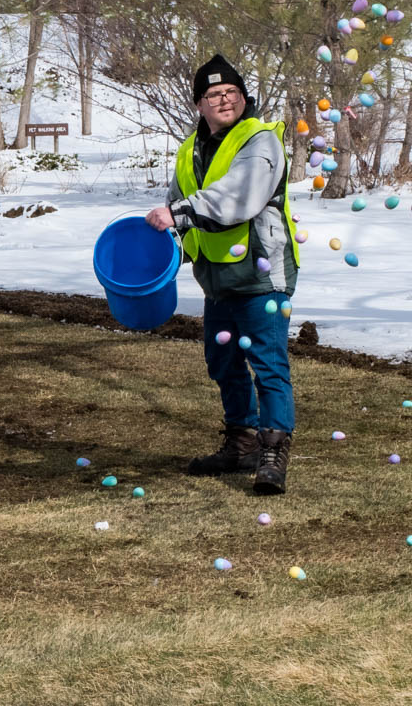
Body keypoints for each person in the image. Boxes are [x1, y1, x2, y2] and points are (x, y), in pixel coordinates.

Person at [146, 54, 300, 495]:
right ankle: (242, 442)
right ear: (199, 103)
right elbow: (179, 202)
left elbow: (240, 195)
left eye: (232, 92)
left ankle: (272, 453)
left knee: (268, 363)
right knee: (223, 362)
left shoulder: (260, 140)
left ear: (243, 97)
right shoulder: (187, 149)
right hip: (216, 278)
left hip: (261, 272)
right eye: (214, 94)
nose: (225, 100)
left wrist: (179, 213)